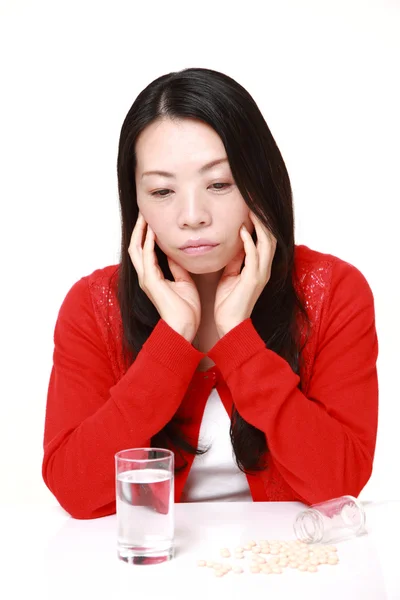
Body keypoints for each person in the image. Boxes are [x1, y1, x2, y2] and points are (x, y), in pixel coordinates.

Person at [42, 67, 379, 520]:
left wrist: (239, 339)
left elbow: (339, 486)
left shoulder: (333, 291)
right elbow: (74, 491)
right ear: (135, 201)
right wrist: (172, 342)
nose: (192, 215)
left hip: (287, 574)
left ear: (261, 183)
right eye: (162, 190)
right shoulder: (92, 305)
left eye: (219, 184)